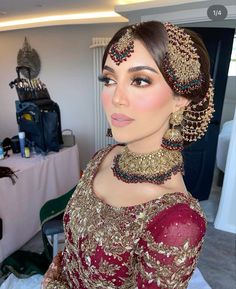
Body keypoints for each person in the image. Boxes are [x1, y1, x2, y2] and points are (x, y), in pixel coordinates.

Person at [42, 21, 214, 289]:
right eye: (109, 79)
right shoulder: (103, 158)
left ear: (181, 98)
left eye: (140, 80)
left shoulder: (177, 220)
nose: (116, 98)